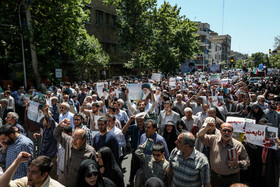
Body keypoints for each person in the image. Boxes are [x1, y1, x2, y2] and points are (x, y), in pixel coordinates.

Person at [197, 123, 250, 187]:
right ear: (220, 130)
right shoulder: (214, 139)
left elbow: (247, 162)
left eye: (229, 131)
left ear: (232, 132)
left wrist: (238, 163)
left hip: (231, 179)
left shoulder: (238, 145)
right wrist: (206, 128)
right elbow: (199, 136)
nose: (226, 133)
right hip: (215, 177)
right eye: (224, 130)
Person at [53, 118, 97, 187]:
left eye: (77, 139)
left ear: (84, 140)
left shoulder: (90, 152)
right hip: (64, 183)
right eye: (73, 137)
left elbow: (94, 173)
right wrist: (60, 126)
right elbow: (56, 134)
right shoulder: (69, 142)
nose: (73, 141)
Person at [26, 104, 58, 179]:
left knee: (51, 178)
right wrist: (28, 110)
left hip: (51, 157)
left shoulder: (52, 127)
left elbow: (51, 122)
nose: (42, 121)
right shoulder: (45, 128)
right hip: (43, 156)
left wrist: (46, 112)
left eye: (43, 119)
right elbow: (34, 121)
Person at [0, 151, 64, 187]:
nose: (29, 175)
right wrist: (17, 161)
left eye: (34, 172)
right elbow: (2, 185)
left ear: (44, 174)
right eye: (29, 171)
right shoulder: (26, 181)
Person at [122, 114, 146, 187]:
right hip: (135, 151)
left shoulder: (147, 128)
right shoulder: (134, 128)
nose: (139, 123)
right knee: (133, 167)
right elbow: (123, 131)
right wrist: (130, 121)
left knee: (144, 169)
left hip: (144, 153)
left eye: (141, 121)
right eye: (137, 121)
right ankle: (131, 181)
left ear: (144, 121)